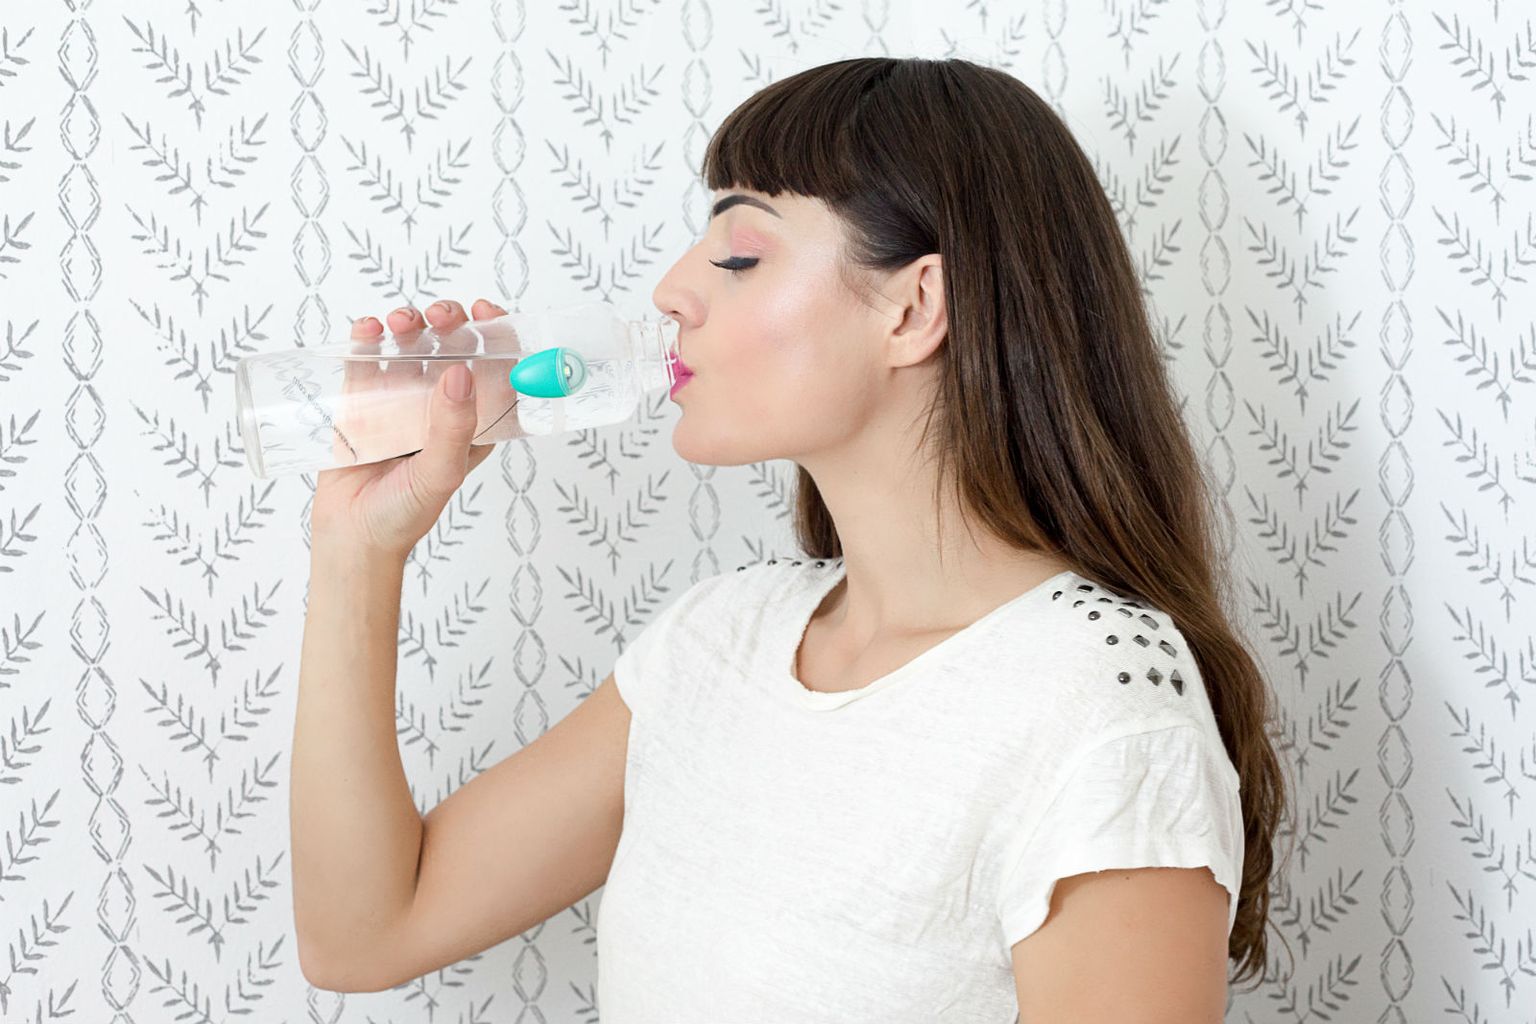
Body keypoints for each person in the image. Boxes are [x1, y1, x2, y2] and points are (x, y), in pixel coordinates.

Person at [289, 56, 1290, 1021]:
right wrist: (359, 550)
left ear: (916, 308)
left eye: (738, 255)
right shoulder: (721, 639)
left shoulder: (1100, 708)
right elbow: (367, 935)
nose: (671, 290)